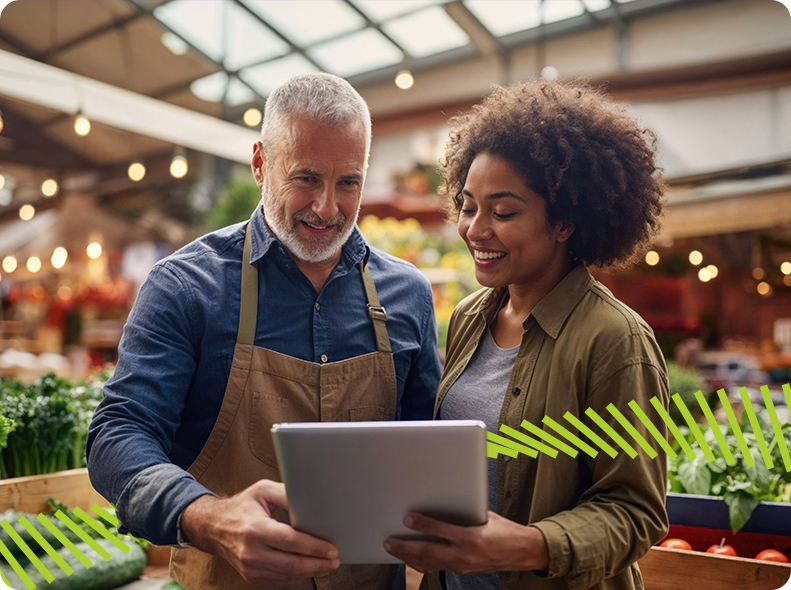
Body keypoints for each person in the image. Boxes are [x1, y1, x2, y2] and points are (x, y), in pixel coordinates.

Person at [87, 73, 442, 590]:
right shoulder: (188, 286)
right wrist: (207, 516)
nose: (327, 208)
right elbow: (117, 434)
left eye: (349, 183)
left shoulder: (408, 293)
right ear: (260, 164)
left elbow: (427, 446)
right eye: (306, 179)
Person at [385, 80, 670, 590]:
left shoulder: (615, 342)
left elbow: (635, 512)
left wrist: (527, 546)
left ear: (563, 222)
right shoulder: (471, 316)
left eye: (504, 212)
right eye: (468, 205)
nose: (475, 229)